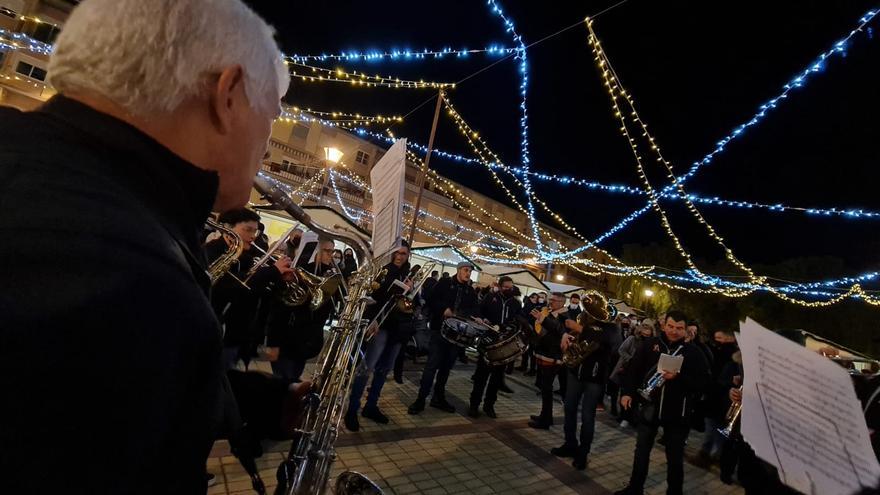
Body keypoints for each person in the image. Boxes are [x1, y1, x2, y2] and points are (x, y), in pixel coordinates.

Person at [0, 0, 288, 491]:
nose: (267, 140)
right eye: (272, 116)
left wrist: (243, 400)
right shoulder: (133, 282)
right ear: (230, 96)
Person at [615, 311, 711, 495]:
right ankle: (635, 488)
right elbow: (634, 369)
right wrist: (627, 393)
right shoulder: (651, 344)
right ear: (664, 325)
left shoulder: (693, 352)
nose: (674, 331)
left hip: (677, 413)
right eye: (671, 326)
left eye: (679, 328)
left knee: (674, 457)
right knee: (641, 451)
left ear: (686, 329)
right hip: (649, 407)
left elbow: (703, 383)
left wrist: (679, 377)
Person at [206, 208, 294, 369]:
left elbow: (264, 292)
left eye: (255, 231)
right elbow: (228, 288)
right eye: (247, 230)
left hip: (244, 334)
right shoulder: (212, 251)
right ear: (228, 228)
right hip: (220, 333)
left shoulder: (251, 254)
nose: (253, 236)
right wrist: (272, 271)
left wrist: (280, 279)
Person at [346, 244, 413, 431]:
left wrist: (411, 290)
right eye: (397, 253)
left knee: (384, 370)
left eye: (404, 254)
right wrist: (371, 320)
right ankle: (352, 409)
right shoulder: (383, 271)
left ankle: (371, 406)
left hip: (398, 328)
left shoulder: (407, 275)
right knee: (366, 367)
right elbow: (371, 297)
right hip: (380, 325)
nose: (400, 256)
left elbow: (411, 304)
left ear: (408, 256)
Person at [553, 293, 616, 470]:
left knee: (588, 416)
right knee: (569, 408)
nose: (589, 313)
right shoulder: (583, 320)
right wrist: (568, 338)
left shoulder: (610, 326)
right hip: (576, 372)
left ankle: (583, 453)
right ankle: (570, 444)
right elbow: (579, 339)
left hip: (594, 377)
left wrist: (579, 329)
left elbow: (608, 340)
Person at [408, 261, 479, 414]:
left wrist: (475, 317)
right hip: (439, 331)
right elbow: (431, 299)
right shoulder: (444, 283)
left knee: (446, 369)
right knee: (431, 367)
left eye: (470, 271)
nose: (468, 273)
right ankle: (420, 400)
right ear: (458, 270)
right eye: (466, 270)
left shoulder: (470, 291)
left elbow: (474, 308)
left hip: (456, 336)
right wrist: (443, 309)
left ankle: (438, 398)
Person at [266, 238, 339, 382]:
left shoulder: (330, 275)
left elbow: (324, 310)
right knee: (281, 378)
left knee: (293, 376)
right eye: (326, 251)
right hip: (285, 338)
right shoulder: (295, 272)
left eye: (332, 251)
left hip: (306, 340)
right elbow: (278, 308)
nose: (331, 255)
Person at [468, 276, 521, 419]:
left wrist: (510, 328)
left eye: (511, 287)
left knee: (496, 378)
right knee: (481, 376)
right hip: (488, 341)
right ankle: (474, 405)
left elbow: (517, 320)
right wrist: (481, 318)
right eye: (506, 287)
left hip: (504, 343)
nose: (509, 290)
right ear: (500, 286)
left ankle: (489, 405)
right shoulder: (490, 297)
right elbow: (478, 311)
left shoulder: (515, 303)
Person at [528, 292, 571, 429]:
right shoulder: (550, 312)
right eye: (550, 299)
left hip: (553, 357)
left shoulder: (564, 316)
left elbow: (558, 329)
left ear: (561, 302)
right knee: (545, 388)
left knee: (547, 389)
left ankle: (545, 420)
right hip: (545, 353)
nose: (550, 301)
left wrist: (543, 318)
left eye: (553, 300)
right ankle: (545, 416)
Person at [610, 318, 655, 428]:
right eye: (644, 327)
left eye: (648, 328)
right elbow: (621, 350)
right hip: (627, 370)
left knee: (636, 396)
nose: (646, 330)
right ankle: (624, 416)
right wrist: (631, 359)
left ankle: (633, 418)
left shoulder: (653, 343)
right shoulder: (632, 339)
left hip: (642, 373)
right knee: (625, 393)